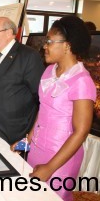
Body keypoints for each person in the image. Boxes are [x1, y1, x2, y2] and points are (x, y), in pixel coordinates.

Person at [24, 16, 96, 201]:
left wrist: (50, 167)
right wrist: (30, 137)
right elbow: (44, 108)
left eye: (49, 41)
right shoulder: (49, 71)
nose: (44, 46)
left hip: (61, 157)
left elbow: (81, 131)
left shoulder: (82, 81)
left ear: (67, 45)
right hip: (37, 148)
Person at [0, 17, 44, 145]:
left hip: (15, 136)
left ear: (9, 33)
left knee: (17, 165)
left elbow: (41, 100)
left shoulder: (29, 57)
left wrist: (27, 139)